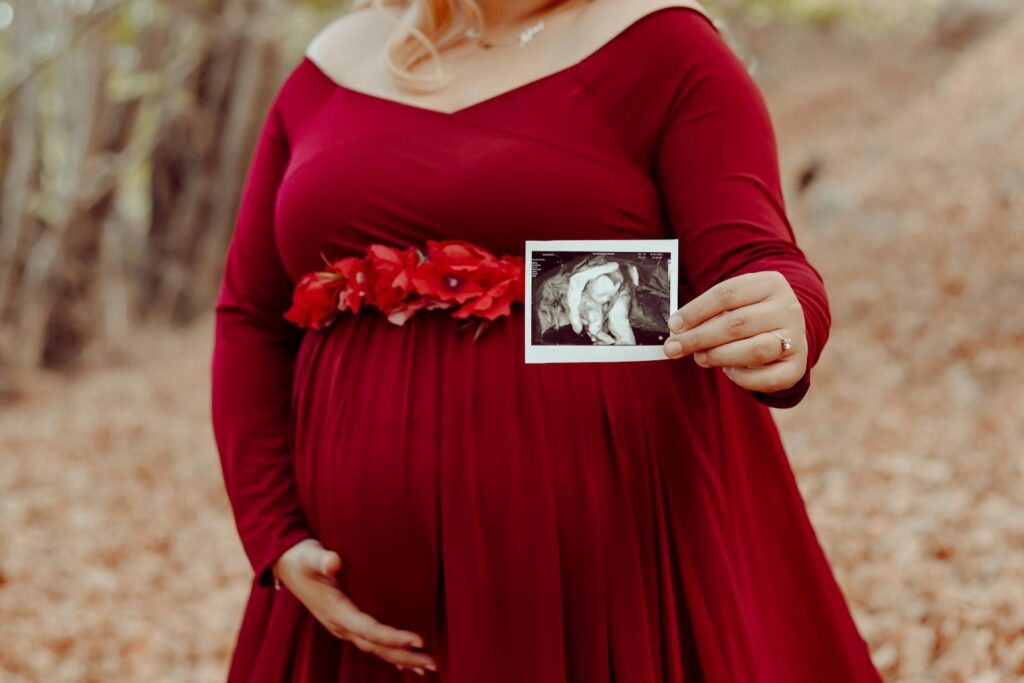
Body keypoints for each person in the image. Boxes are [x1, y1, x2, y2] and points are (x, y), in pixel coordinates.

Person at [209, 0, 884, 681]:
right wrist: (274, 532)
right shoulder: (332, 65)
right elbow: (251, 314)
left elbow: (756, 258)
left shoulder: (663, 44)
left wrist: (788, 315)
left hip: (606, 589)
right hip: (357, 614)